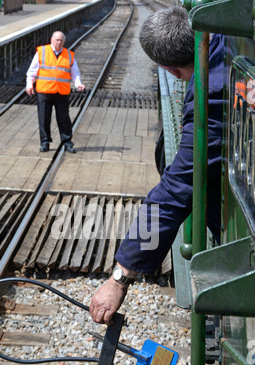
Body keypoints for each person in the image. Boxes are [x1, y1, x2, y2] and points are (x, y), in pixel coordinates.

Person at [89, 6, 231, 325]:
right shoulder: (225, 32)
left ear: (170, 70)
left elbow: (175, 192)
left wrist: (120, 277)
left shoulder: (209, 98)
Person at [26, 31, 85, 153]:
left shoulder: (69, 55)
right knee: (43, 118)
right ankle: (45, 142)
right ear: (51, 40)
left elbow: (75, 73)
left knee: (64, 118)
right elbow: (32, 71)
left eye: (61, 40)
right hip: (45, 91)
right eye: (57, 40)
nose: (59, 42)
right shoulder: (42, 52)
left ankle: (67, 142)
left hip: (61, 92)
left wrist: (78, 84)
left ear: (64, 42)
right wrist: (29, 84)